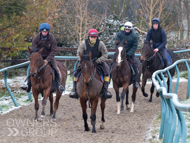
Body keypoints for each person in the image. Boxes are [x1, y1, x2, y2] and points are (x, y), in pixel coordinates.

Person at [21, 23, 64, 92]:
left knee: (56, 68)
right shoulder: (36, 38)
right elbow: (33, 49)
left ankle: (58, 85)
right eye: (43, 31)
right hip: (38, 57)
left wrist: (47, 59)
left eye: (46, 32)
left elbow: (54, 50)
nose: (44, 33)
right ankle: (28, 85)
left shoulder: (52, 38)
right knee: (31, 68)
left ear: (48, 31)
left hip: (49, 56)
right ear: (41, 31)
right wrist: (36, 56)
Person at [69, 29, 112, 99]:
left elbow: (105, 54)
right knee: (76, 73)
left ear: (97, 37)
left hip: (98, 62)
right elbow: (78, 53)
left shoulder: (100, 44)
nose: (93, 38)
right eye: (92, 37)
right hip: (86, 63)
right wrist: (83, 61)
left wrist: (98, 61)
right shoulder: (83, 44)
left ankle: (105, 90)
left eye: (95, 37)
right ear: (89, 37)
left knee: (107, 72)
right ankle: (75, 91)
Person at [111, 21, 139, 88]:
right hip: (120, 52)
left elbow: (134, 47)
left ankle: (135, 81)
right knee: (112, 63)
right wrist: (119, 52)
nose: (127, 30)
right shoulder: (119, 34)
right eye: (126, 29)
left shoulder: (134, 36)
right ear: (124, 28)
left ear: (130, 29)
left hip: (129, 53)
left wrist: (128, 54)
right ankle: (110, 78)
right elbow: (116, 44)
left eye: (128, 29)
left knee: (135, 65)